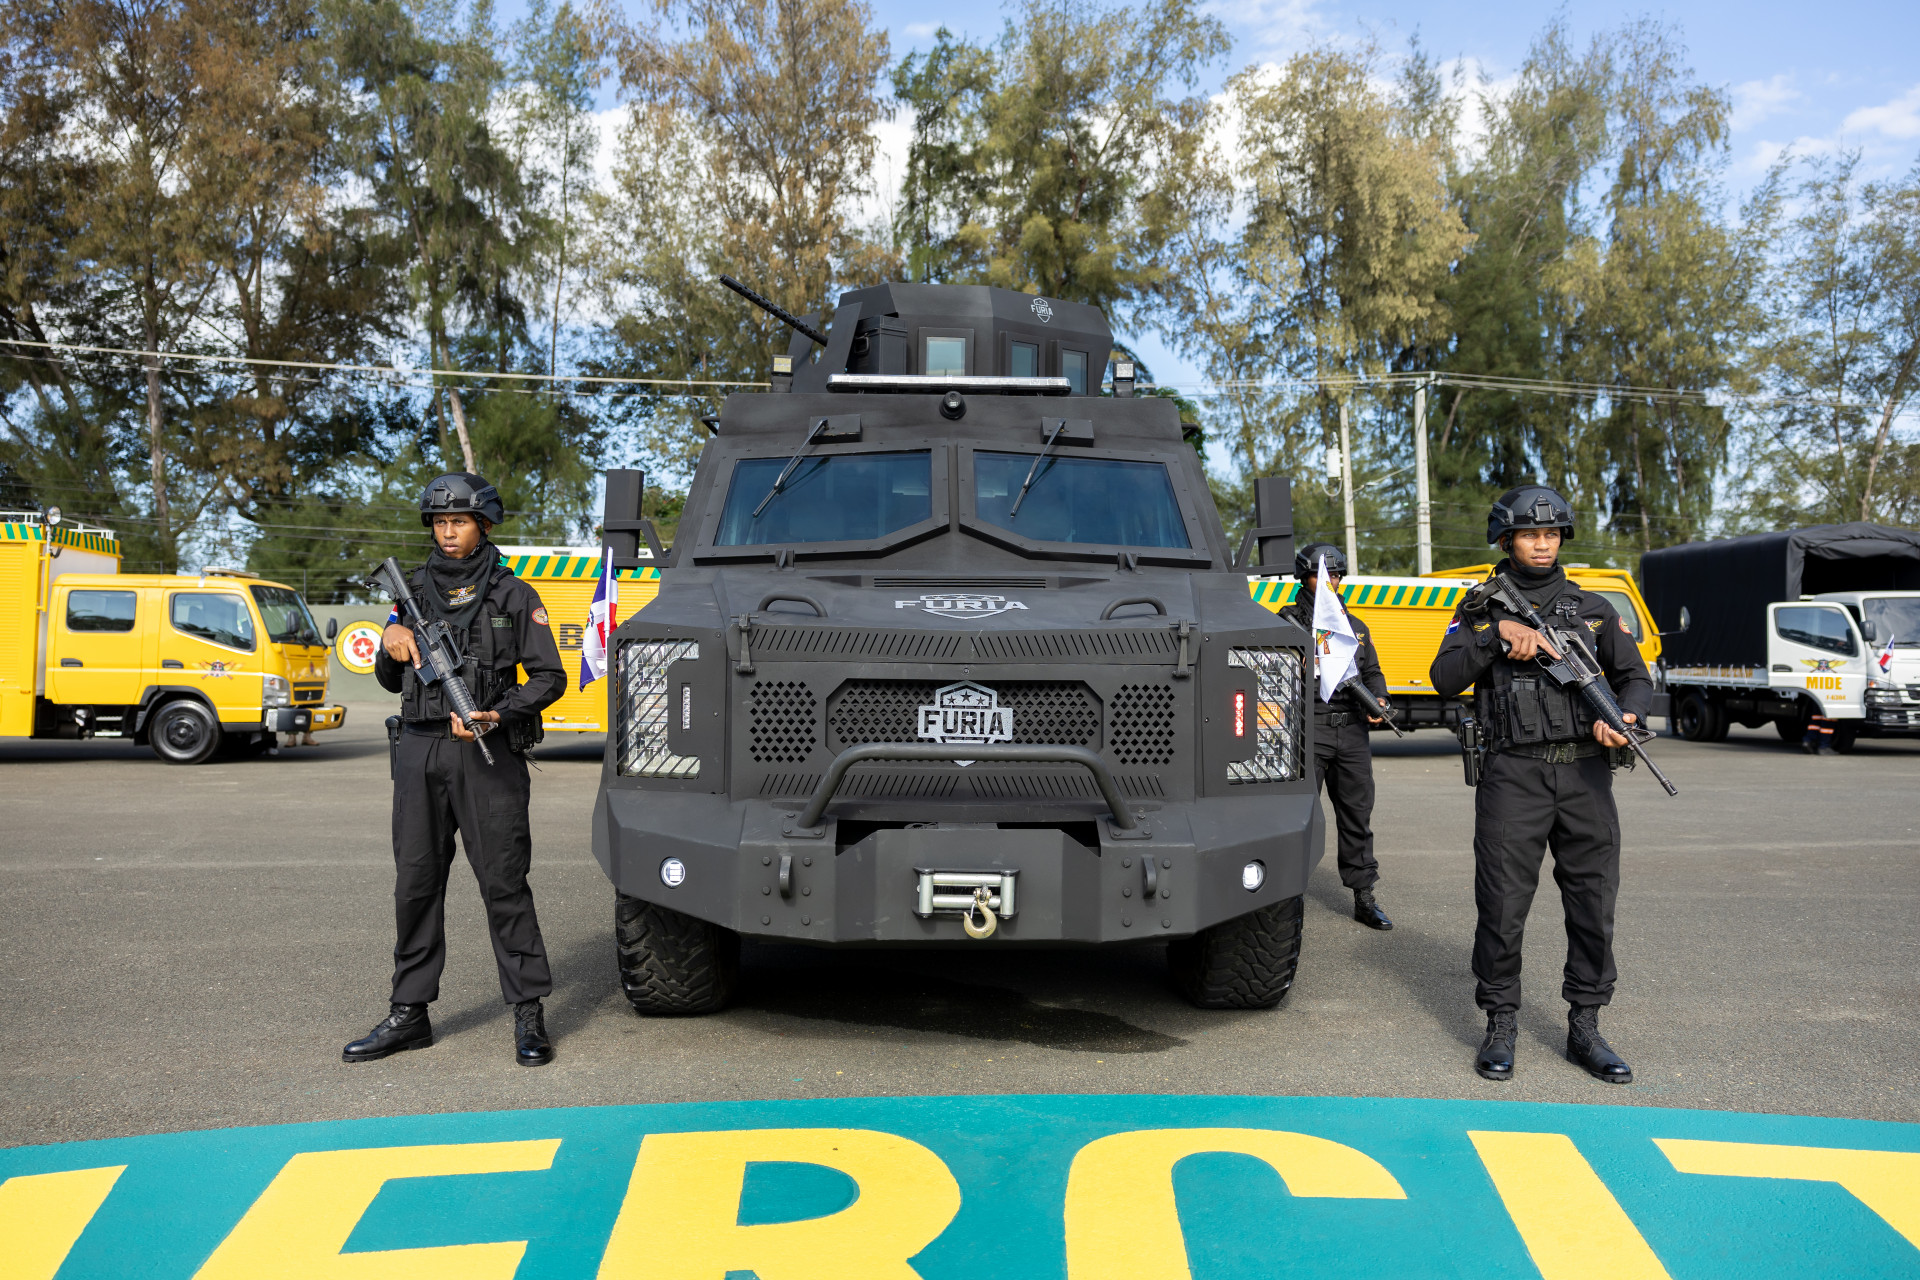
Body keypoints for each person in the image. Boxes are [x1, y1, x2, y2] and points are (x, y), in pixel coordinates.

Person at [343, 472, 567, 1067]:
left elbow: (551, 677)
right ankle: (409, 1013)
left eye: (459, 521)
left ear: (483, 525)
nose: (448, 531)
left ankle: (528, 1013)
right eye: (440, 522)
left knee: (504, 883)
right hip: (419, 750)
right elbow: (389, 679)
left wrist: (499, 713)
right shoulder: (410, 593)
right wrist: (390, 638)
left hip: (485, 754)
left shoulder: (514, 595)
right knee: (415, 885)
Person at [1430, 485, 1652, 1085]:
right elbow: (1444, 677)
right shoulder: (1479, 608)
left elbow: (1635, 679)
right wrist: (1494, 636)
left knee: (1593, 903)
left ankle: (1586, 1026)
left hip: (1586, 774)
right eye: (1530, 534)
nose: (1543, 544)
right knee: (1502, 905)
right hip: (1513, 775)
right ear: (1507, 540)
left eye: (1551, 534)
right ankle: (1501, 1022)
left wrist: (1625, 717)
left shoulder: (1594, 608)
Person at [1279, 542, 1396, 931]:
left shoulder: (1355, 628)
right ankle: (1284, 897)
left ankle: (1364, 897)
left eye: (1335, 575)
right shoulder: (1286, 623)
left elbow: (1373, 671)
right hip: (1307, 730)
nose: (1329, 582)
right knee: (1298, 819)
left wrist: (1379, 698)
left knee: (1357, 816)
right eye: (1320, 575)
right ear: (1304, 577)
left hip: (1352, 732)